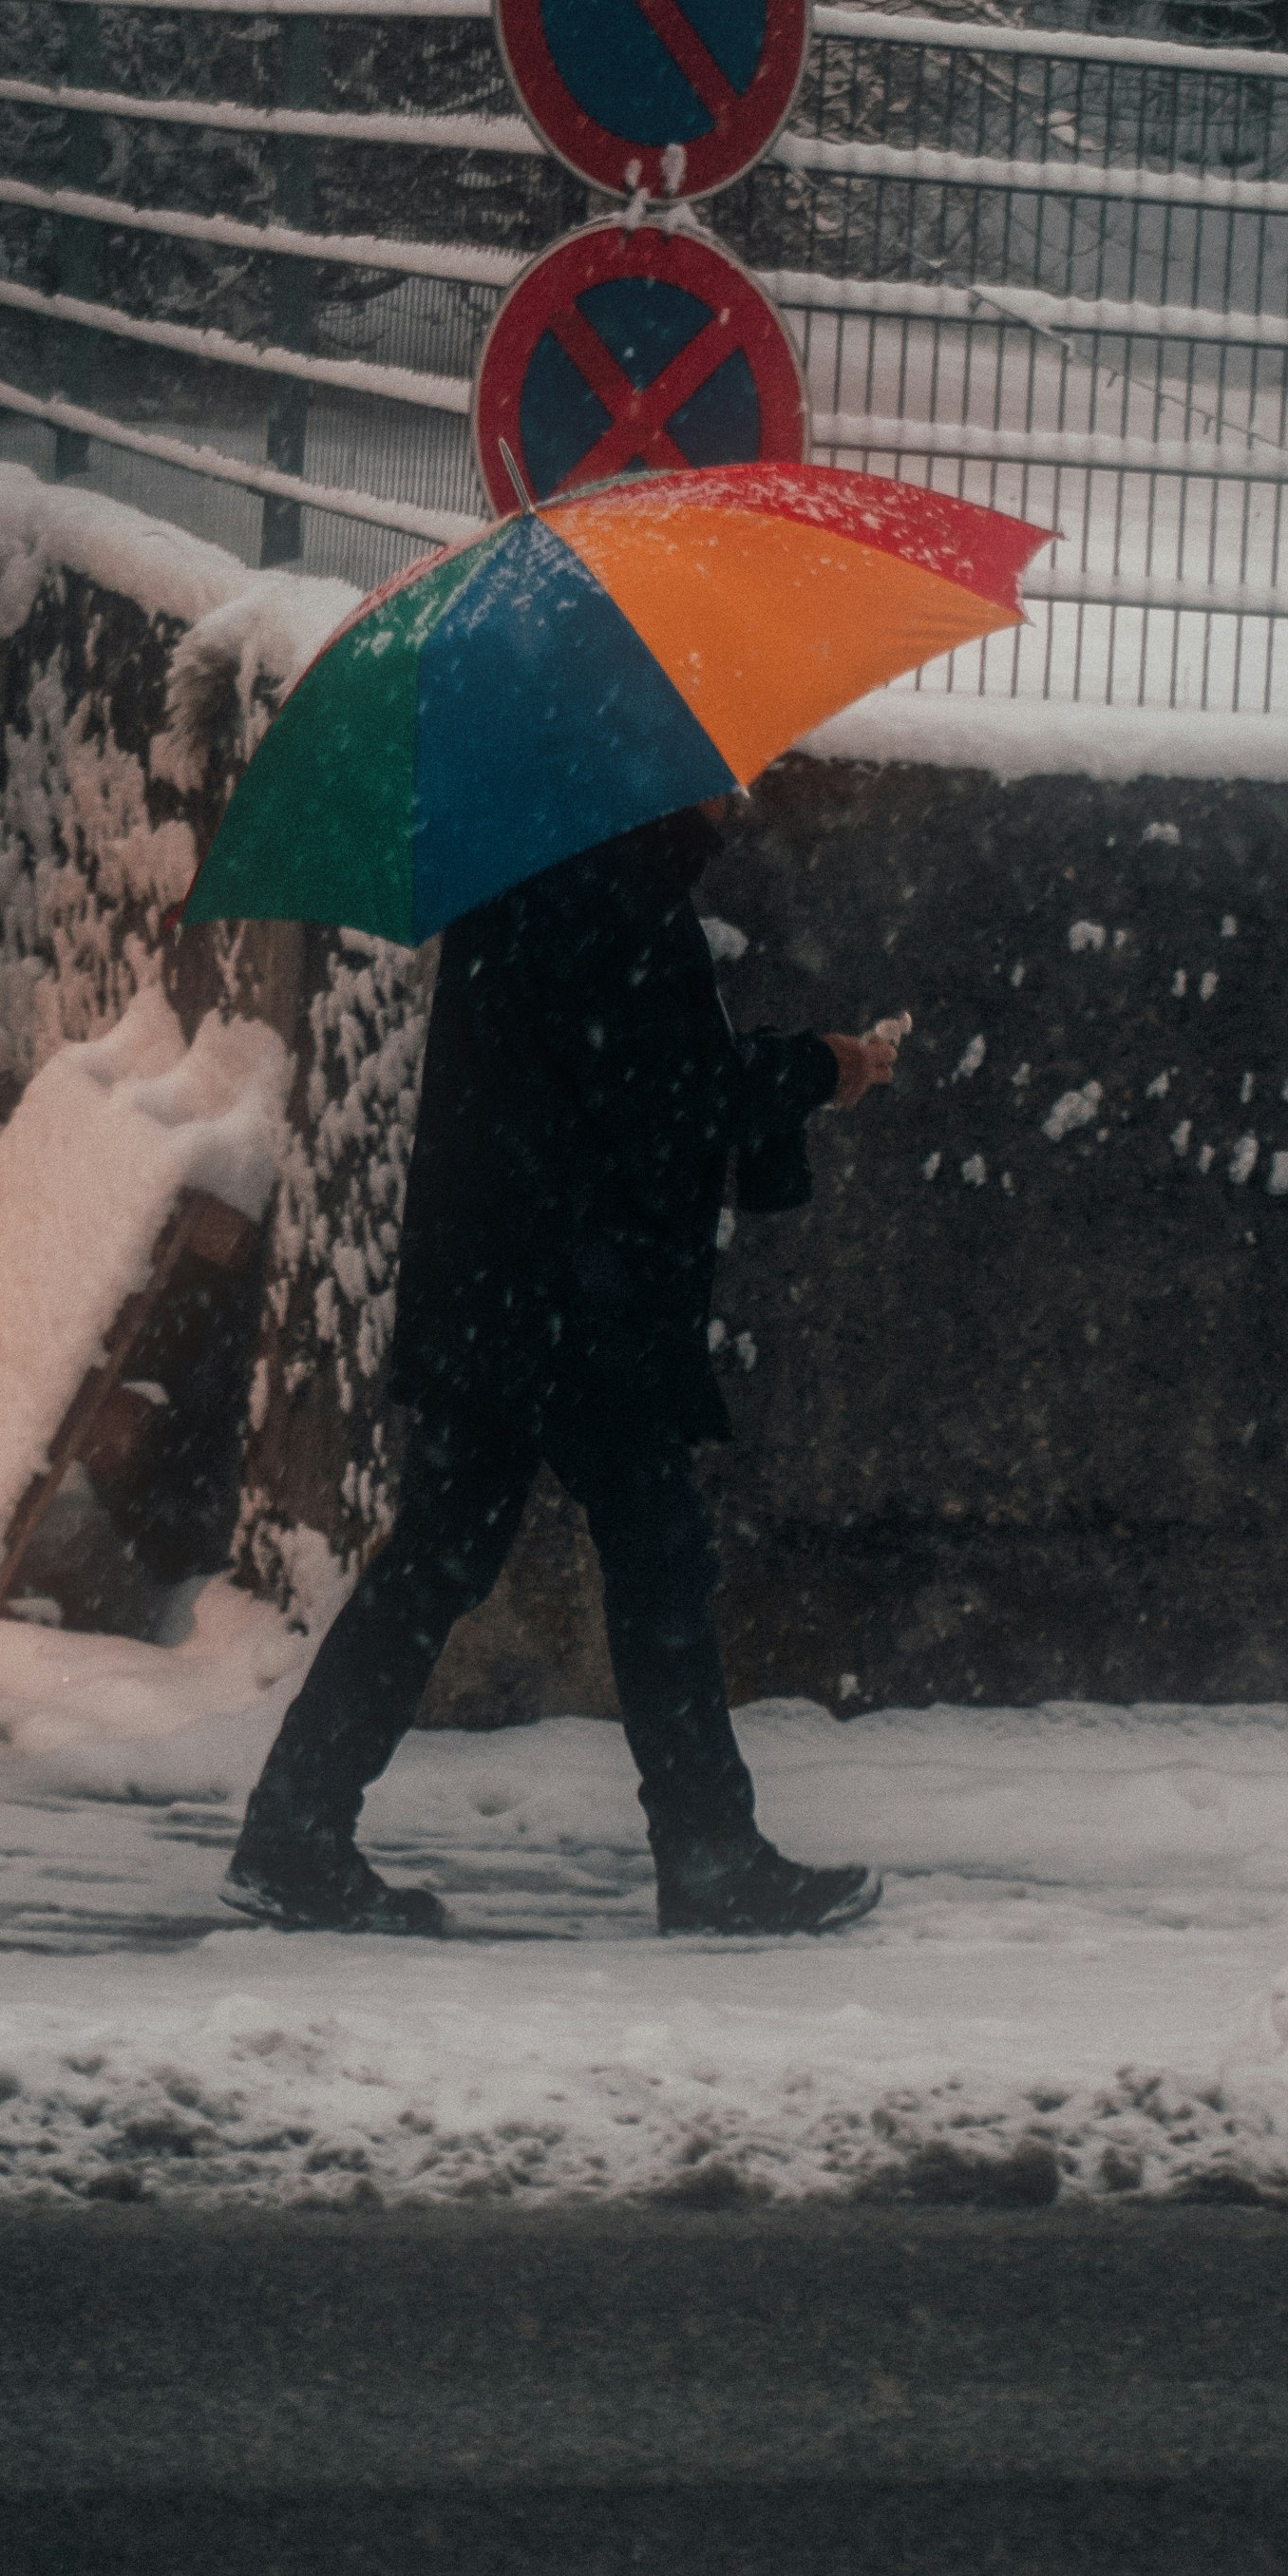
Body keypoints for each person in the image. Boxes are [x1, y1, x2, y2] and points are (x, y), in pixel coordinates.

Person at [227, 798, 903, 1942]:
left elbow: (633, 1080)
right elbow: (669, 1099)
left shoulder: (543, 855)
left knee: (444, 1564)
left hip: (509, 1297)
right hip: (573, 1311)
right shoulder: (612, 879)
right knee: (656, 1565)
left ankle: (294, 1831)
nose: (743, 791)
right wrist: (815, 1071)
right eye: (722, 770)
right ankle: (707, 1857)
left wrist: (767, 1073)